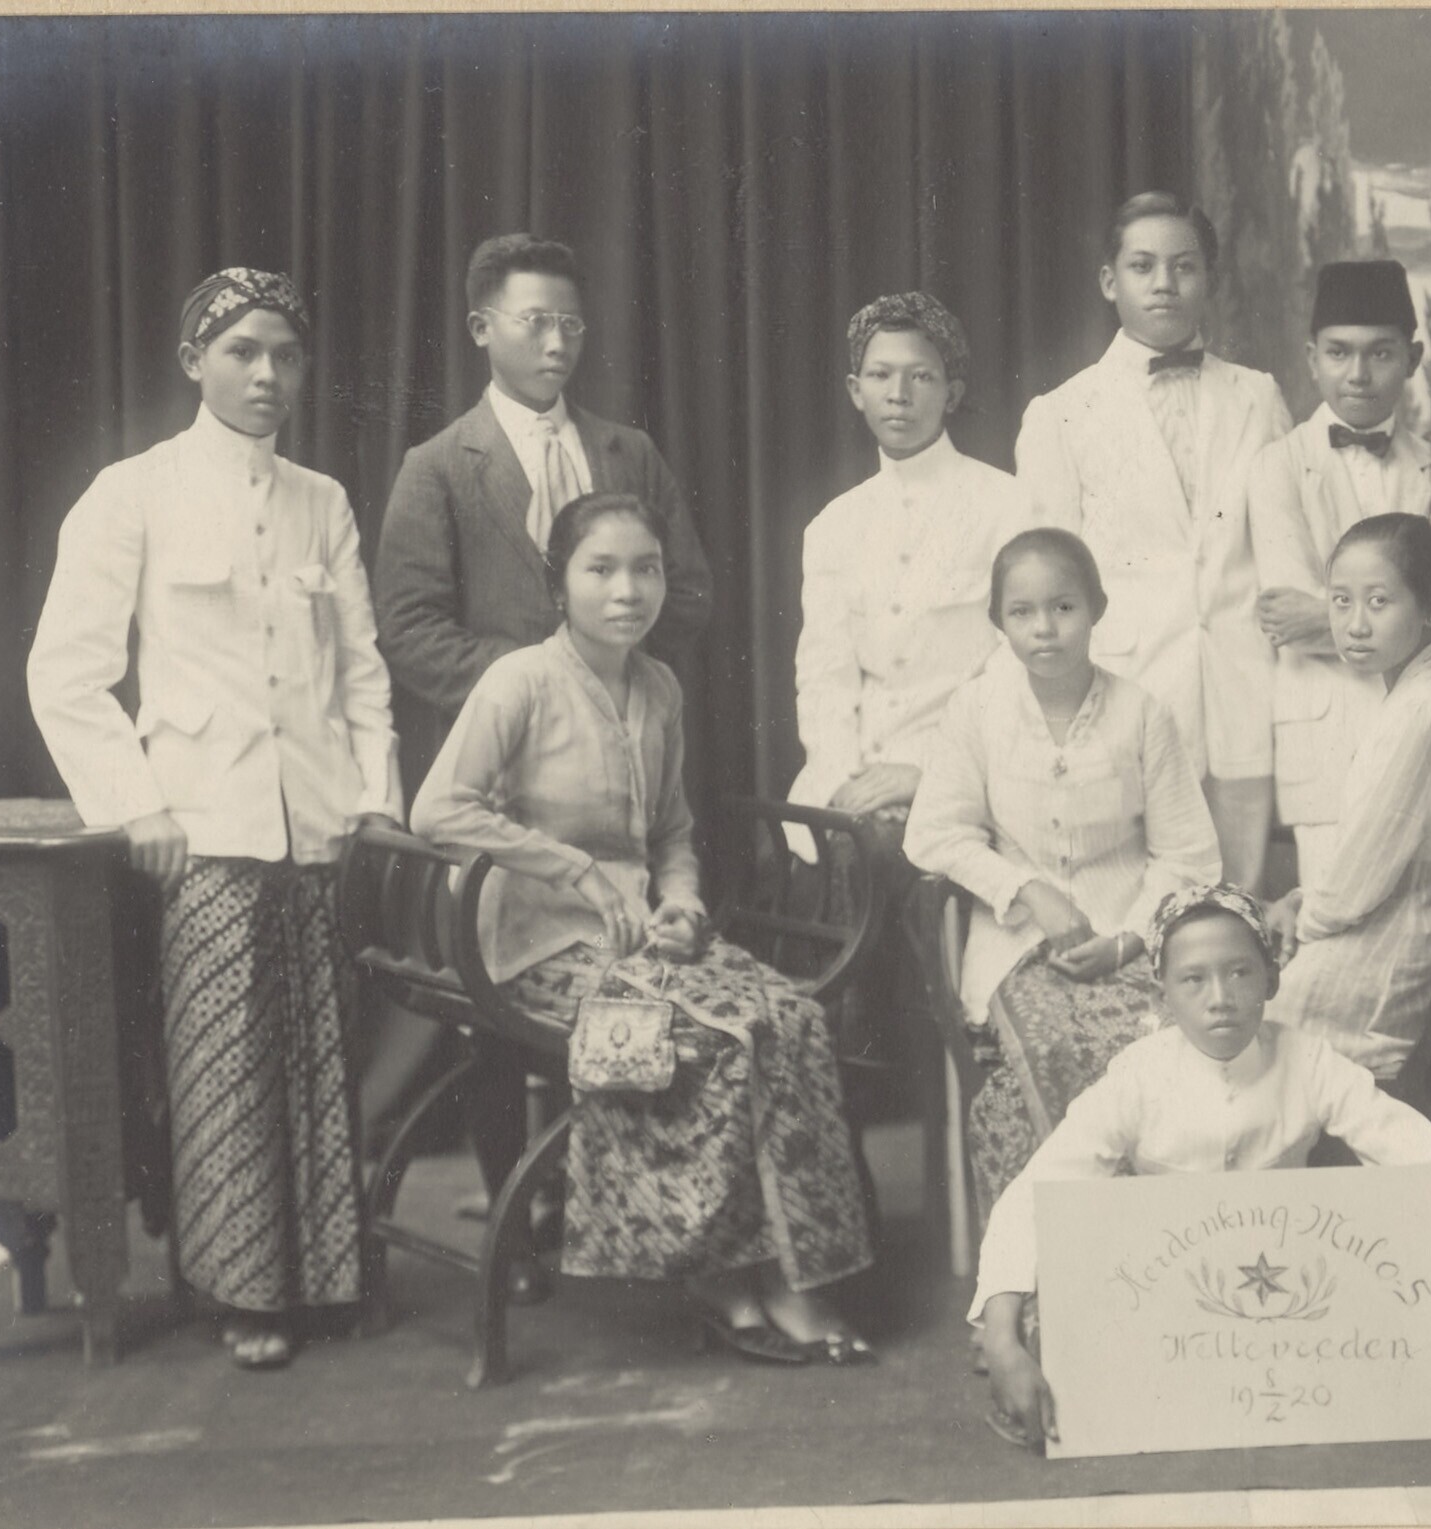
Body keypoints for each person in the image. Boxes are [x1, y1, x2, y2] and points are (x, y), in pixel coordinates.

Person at [26, 268, 402, 1371]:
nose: (266, 373)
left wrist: (374, 801)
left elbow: (362, 671)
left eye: (285, 353)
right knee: (226, 1060)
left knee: (322, 1053)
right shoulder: (132, 492)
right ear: (195, 360)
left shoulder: (322, 500)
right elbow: (65, 672)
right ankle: (244, 1288)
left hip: (318, 821)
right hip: (203, 823)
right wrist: (137, 803)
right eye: (242, 351)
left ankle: (325, 1275)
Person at [412, 492, 877, 1367]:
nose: (627, 590)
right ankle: (715, 1275)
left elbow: (670, 832)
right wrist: (573, 868)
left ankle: (791, 1275)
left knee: (791, 1018)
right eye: (601, 569)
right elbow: (437, 808)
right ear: (559, 583)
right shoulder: (520, 681)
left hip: (638, 941)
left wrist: (683, 905)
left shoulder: (658, 686)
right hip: (532, 944)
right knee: (711, 1038)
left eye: (646, 569)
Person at [367, 232, 715, 1215]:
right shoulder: (440, 465)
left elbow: (687, 590)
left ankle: (625, 1203)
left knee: (654, 989)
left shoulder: (627, 451)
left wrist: (607, 672)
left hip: (613, 780)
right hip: (499, 799)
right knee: (497, 1028)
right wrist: (536, 685)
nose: (557, 343)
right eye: (534, 323)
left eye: (571, 324)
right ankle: (521, 1212)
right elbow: (409, 629)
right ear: (483, 329)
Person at [973, 885, 1431, 1450]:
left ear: (1272, 979)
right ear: (1163, 994)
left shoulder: (1309, 1062)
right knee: (1063, 1344)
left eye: (1239, 972)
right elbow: (1032, 1197)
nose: (1220, 998)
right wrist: (1000, 1338)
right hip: (1168, 1296)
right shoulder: (1136, 1078)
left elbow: (1429, 1162)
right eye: (1193, 979)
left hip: (1290, 1293)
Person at [903, 528, 1222, 1212]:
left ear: (1097, 608)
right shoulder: (977, 710)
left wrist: (1129, 939)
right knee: (1048, 1045)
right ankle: (1049, 1259)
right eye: (1021, 612)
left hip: (1134, 940)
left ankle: (1160, 1244)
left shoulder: (1141, 713)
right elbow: (933, 833)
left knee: (1165, 1048)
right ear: (998, 620)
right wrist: (1027, 890)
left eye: (1063, 607)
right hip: (1015, 946)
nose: (1043, 629)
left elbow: (1188, 855)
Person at [1016, 192, 1290, 889]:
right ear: (1110, 281)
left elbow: (1297, 533)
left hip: (1241, 692)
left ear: (1208, 279)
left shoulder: (1257, 396)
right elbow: (1047, 583)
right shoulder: (1062, 412)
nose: (1164, 283)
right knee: (1134, 906)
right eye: (1143, 266)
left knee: (1236, 907)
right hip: (1129, 693)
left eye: (1184, 266)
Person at [1245, 258, 1431, 889]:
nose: (1358, 374)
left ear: (1413, 358)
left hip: (1422, 729)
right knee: (1334, 908)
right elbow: (1287, 615)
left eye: (1381, 353)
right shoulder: (1277, 466)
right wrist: (1403, 613)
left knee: (1420, 914)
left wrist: (1325, 613)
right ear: (1312, 358)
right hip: (1324, 741)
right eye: (1339, 352)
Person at [788, 291, 1033, 855]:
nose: (898, 394)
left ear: (953, 394)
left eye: (921, 376)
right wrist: (841, 779)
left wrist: (929, 769)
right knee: (825, 864)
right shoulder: (832, 525)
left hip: (970, 775)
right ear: (856, 391)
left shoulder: (1008, 506)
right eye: (880, 375)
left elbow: (1015, 666)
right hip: (850, 782)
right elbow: (824, 676)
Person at [1264, 515, 1431, 1084]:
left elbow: (1352, 888)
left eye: (1379, 602)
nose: (1355, 625)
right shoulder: (1420, 695)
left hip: (1391, 966)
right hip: (1393, 937)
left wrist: (1302, 919)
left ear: (1430, 606)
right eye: (1340, 601)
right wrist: (1301, 901)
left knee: (1227, 1033)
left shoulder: (1425, 712)